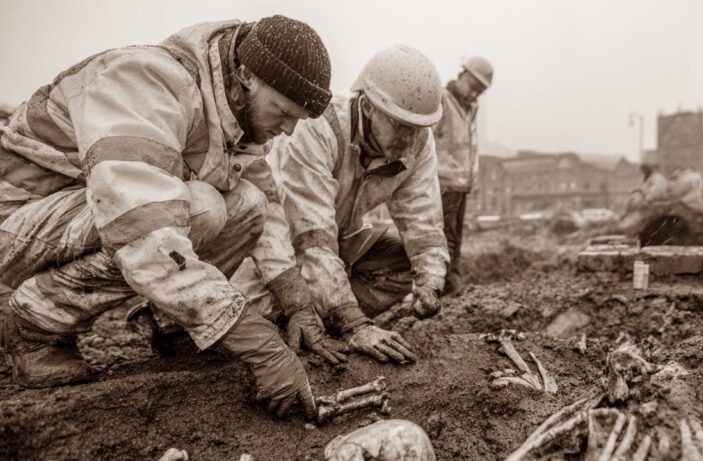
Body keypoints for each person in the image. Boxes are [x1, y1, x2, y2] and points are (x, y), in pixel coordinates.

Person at [0, 16, 339, 419]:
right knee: (201, 207)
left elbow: (266, 209)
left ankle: (172, 326)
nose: (287, 130)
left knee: (246, 204)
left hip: (73, 219)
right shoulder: (148, 81)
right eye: (284, 112)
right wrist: (258, 342)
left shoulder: (238, 122)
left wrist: (296, 299)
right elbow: (141, 228)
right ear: (246, 74)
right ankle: (34, 324)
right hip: (16, 221)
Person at [234, 45, 449, 365]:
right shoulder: (318, 127)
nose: (409, 138)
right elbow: (310, 238)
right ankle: (310, 317)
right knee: (255, 312)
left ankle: (325, 317)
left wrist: (431, 279)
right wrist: (353, 322)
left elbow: (423, 220)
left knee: (401, 261)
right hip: (280, 245)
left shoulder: (417, 143)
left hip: (339, 239)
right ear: (368, 106)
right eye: (400, 125)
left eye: (417, 128)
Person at [432, 56, 493, 295]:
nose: (474, 94)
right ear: (462, 76)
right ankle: (442, 284)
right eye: (473, 86)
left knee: (456, 237)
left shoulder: (470, 109)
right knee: (443, 236)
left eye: (479, 91)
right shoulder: (442, 101)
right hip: (441, 182)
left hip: (460, 185)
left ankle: (451, 282)